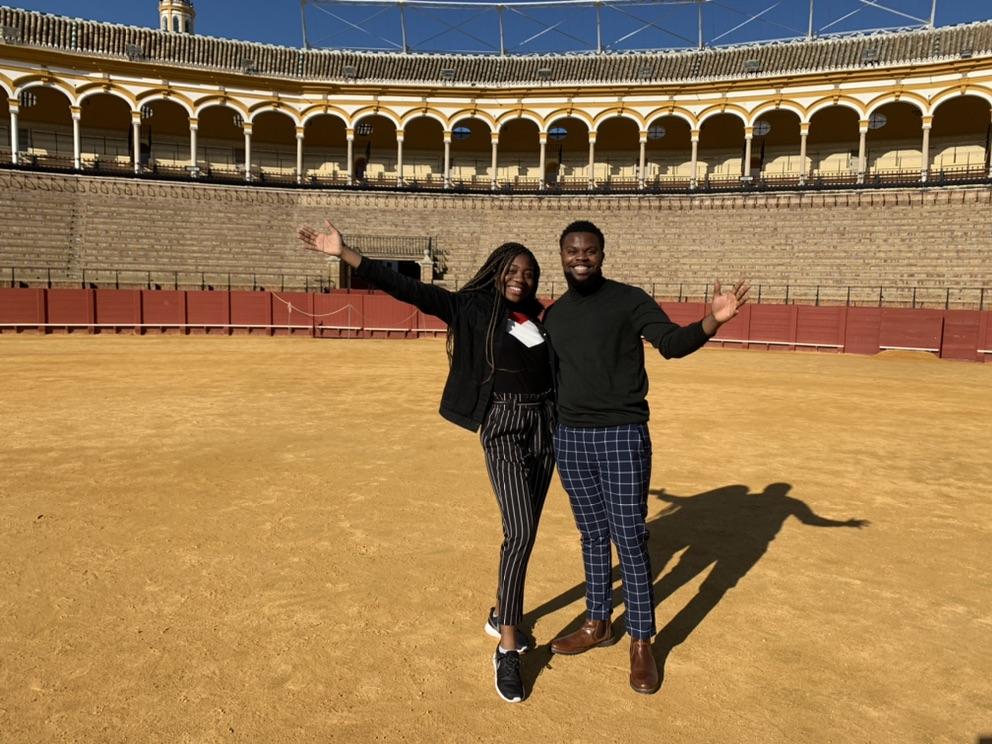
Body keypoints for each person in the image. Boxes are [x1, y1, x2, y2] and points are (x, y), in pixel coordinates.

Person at [297, 221, 555, 704]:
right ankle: (507, 647)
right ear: (496, 272)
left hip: (546, 427)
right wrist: (346, 253)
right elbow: (409, 288)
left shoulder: (540, 318)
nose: (521, 277)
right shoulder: (470, 307)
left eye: (530, 272)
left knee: (527, 531)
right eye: (513, 269)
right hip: (501, 426)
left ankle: (503, 610)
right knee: (518, 532)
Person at [542, 220, 750, 695]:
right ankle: (599, 623)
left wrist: (712, 321)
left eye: (589, 250)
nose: (581, 257)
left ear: (602, 254)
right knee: (592, 535)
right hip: (570, 439)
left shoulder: (629, 299)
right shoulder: (553, 316)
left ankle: (642, 640)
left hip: (621, 434)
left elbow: (672, 345)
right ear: (561, 255)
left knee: (630, 539)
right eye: (572, 250)